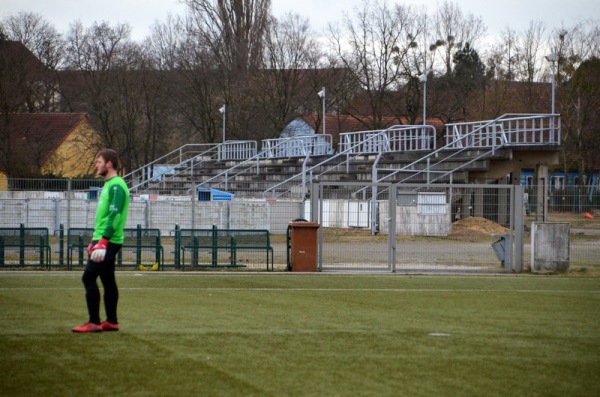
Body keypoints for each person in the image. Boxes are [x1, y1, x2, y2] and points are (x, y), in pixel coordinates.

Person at [72, 149, 130, 333]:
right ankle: (111, 321)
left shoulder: (116, 186)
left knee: (88, 276)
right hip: (105, 238)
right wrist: (95, 239)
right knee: (107, 279)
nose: (96, 165)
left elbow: (115, 215)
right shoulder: (109, 185)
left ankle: (94, 322)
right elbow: (104, 217)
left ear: (109, 164)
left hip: (109, 240)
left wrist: (103, 241)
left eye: (99, 162)